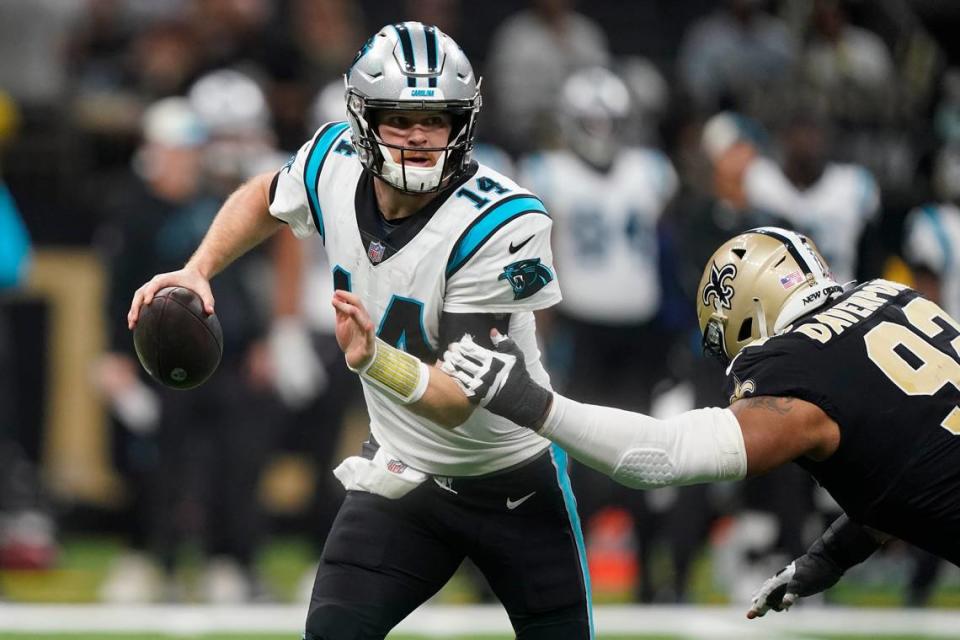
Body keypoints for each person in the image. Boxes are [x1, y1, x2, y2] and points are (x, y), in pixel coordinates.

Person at [128, 22, 593, 639]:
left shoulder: (499, 221)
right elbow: (263, 198)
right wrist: (199, 268)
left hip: (513, 477)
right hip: (406, 479)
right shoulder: (332, 162)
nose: (422, 137)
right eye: (400, 117)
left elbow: (459, 399)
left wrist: (374, 361)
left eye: (439, 118)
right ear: (363, 118)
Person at [403, 225, 960, 616]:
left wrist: (529, 402)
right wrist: (830, 557)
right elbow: (910, 452)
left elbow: (665, 456)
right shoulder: (893, 297)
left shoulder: (799, 366)